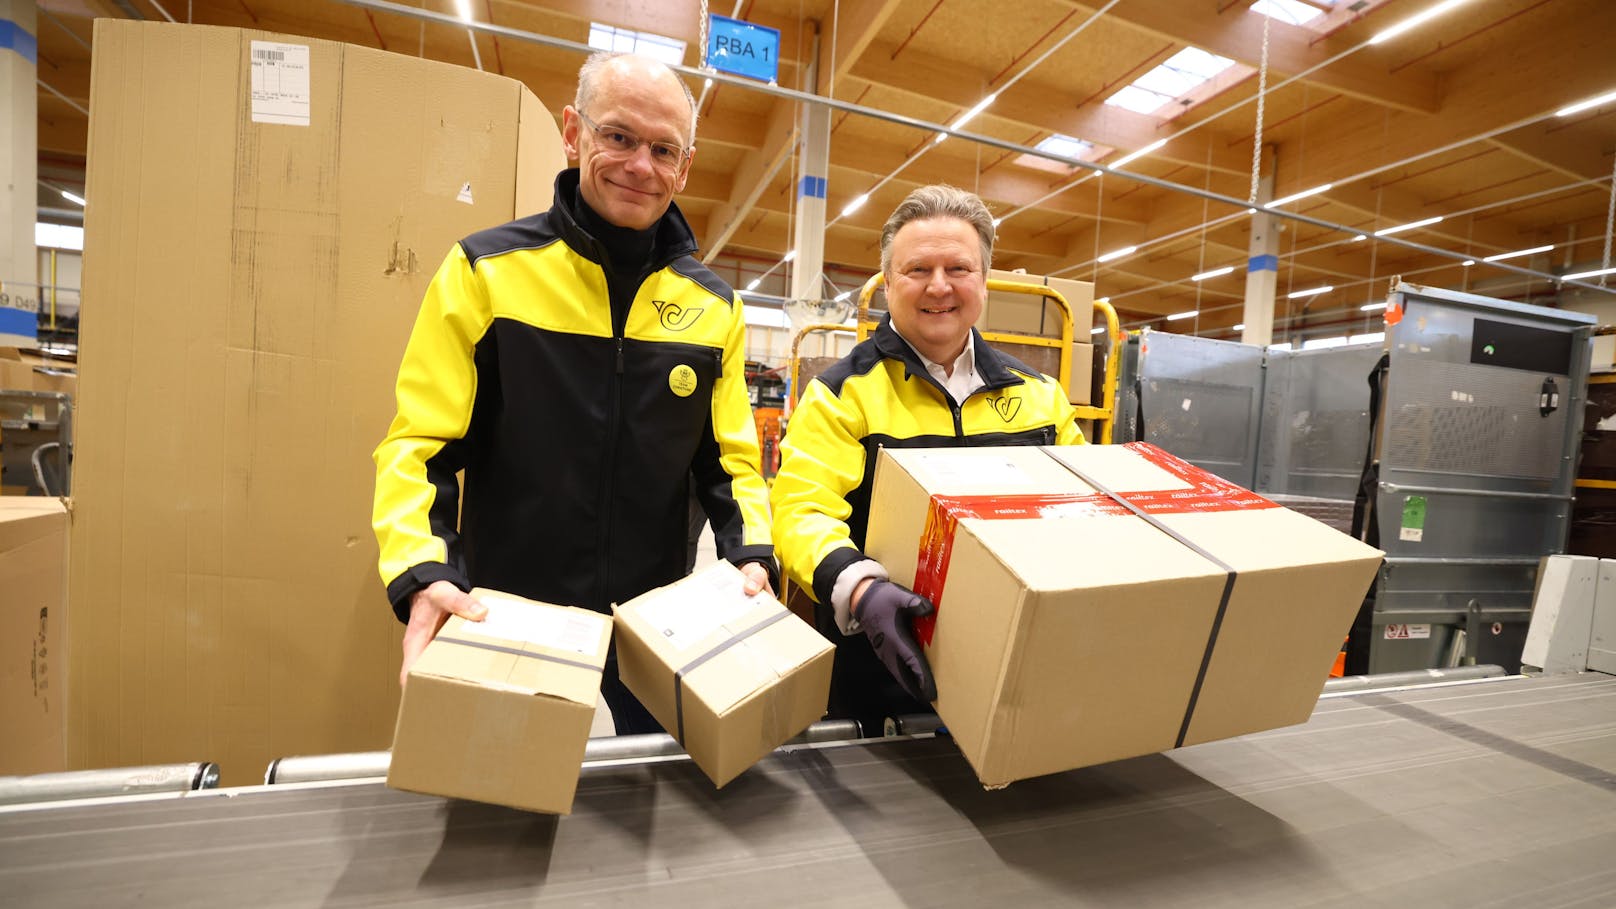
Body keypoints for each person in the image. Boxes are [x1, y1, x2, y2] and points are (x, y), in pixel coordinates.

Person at [372, 52, 776, 734]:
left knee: (642, 814)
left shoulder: (714, 307)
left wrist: (752, 557)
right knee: (509, 811)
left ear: (686, 166)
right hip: (511, 618)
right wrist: (423, 568)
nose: (639, 166)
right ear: (573, 133)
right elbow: (419, 444)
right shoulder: (486, 271)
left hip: (653, 630)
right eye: (617, 136)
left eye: (663, 149)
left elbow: (731, 461)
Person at [771, 184, 1086, 736]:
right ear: (888, 283)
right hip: (881, 669)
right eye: (917, 269)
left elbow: (1086, 506)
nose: (938, 286)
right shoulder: (842, 395)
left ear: (983, 282)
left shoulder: (1040, 397)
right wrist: (860, 589)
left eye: (958, 268)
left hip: (1014, 664)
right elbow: (801, 510)